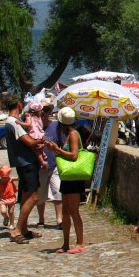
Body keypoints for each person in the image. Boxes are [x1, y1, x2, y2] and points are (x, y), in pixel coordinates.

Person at [44, 107, 87, 254]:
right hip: (68, 177)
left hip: (73, 178)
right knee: (66, 212)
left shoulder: (73, 135)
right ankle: (66, 244)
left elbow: (74, 155)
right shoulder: (69, 135)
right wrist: (55, 149)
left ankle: (80, 243)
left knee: (74, 211)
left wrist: (58, 150)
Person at [3, 96, 44, 244]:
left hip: (23, 163)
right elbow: (29, 141)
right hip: (27, 163)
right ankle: (18, 230)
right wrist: (42, 141)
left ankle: (24, 228)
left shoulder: (10, 122)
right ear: (19, 104)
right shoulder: (14, 122)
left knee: (26, 197)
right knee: (33, 197)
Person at [39, 105, 64, 230]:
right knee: (41, 193)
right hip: (40, 165)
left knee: (58, 191)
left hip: (54, 164)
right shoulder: (35, 128)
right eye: (41, 113)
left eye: (45, 112)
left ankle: (59, 219)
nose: (43, 115)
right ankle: (41, 219)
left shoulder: (55, 126)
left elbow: (62, 143)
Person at [0, 165, 19, 230]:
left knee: (11, 212)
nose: (4, 179)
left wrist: (17, 177)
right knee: (3, 211)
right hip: (3, 199)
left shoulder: (11, 179)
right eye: (3, 177)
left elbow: (19, 178)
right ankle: (6, 217)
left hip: (11, 198)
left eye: (6, 177)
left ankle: (12, 224)